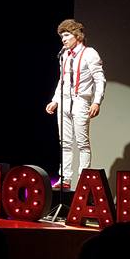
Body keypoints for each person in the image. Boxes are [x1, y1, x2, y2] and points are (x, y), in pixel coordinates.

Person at [45, 19, 106, 190]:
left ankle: (83, 181)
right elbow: (62, 80)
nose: (63, 39)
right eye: (62, 36)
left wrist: (96, 101)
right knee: (64, 142)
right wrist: (55, 100)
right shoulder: (64, 55)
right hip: (65, 101)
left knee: (82, 143)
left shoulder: (90, 53)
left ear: (77, 35)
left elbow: (99, 79)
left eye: (66, 35)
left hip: (81, 101)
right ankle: (65, 178)